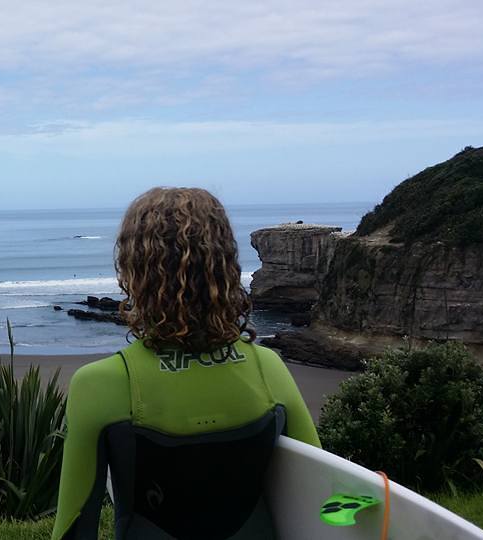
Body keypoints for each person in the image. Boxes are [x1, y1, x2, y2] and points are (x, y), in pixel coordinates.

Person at [51, 187, 321, 540]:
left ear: (134, 272)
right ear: (225, 267)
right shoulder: (267, 368)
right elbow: (322, 492)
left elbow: (74, 526)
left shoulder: (99, 384)